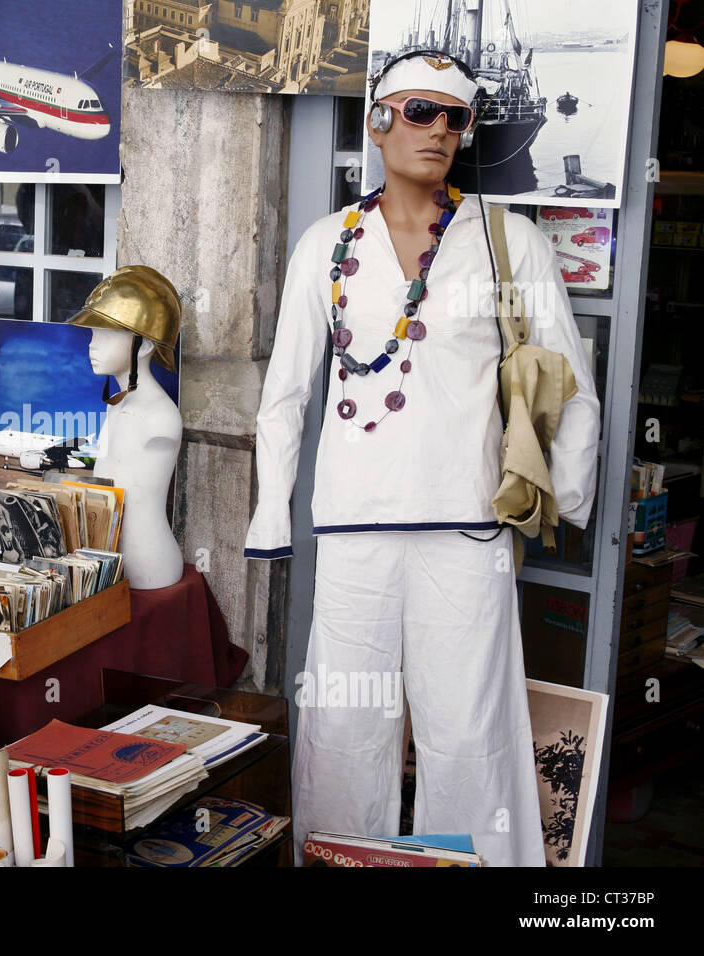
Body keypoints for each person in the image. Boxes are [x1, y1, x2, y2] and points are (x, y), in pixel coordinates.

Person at [243, 52, 600, 867]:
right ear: (377, 121)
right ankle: (338, 859)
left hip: (466, 525)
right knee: (343, 723)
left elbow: (573, 385)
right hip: (354, 525)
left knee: (470, 728)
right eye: (417, 111)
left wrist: (567, 498)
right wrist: (273, 519)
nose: (437, 130)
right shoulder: (325, 246)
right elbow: (286, 392)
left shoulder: (509, 242)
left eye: (454, 117)